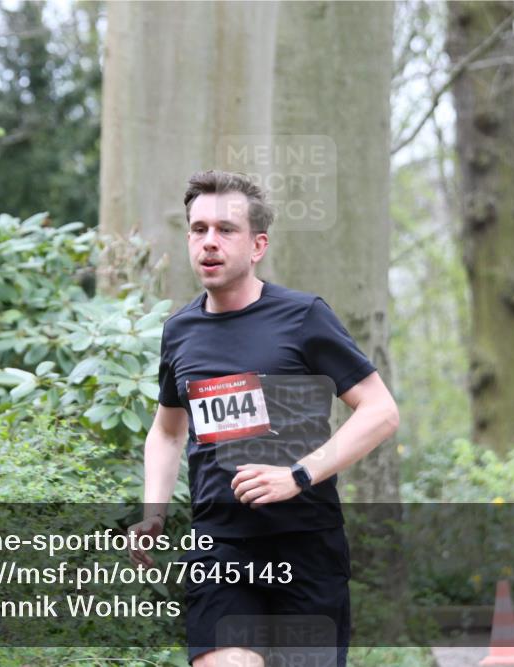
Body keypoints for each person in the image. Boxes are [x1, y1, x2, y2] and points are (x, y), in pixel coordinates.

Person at [128, 170, 399, 667]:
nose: (209, 242)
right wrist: (154, 511)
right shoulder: (180, 332)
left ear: (257, 245)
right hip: (220, 548)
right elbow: (167, 433)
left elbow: (381, 412)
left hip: (306, 546)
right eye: (198, 229)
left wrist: (299, 474)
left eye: (225, 230)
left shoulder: (303, 317)